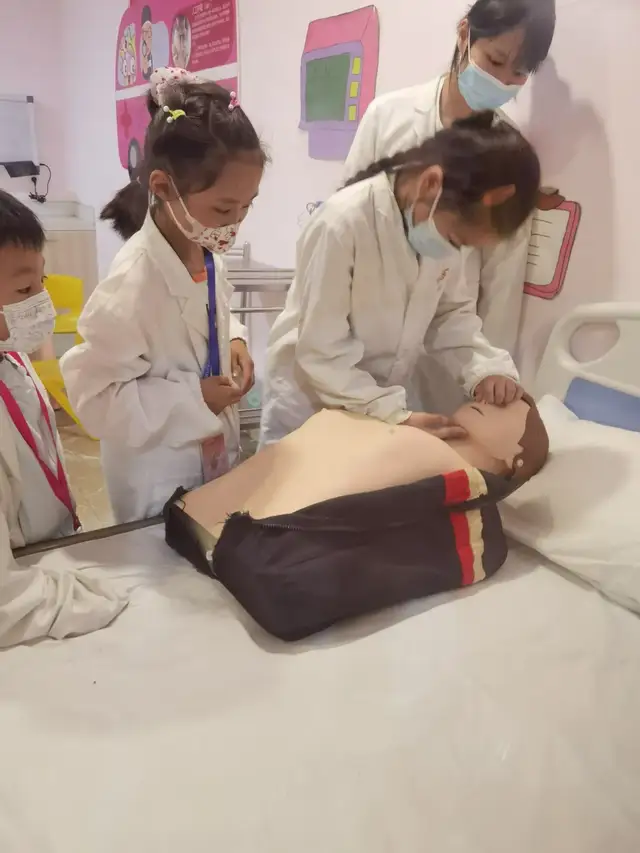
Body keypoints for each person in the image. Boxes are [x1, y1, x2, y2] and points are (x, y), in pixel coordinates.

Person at [166, 394, 549, 640]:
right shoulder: (405, 432)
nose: (487, 397)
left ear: (516, 460)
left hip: (241, 540)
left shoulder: (477, 516)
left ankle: (225, 529)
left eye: (507, 405)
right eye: (487, 393)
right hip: (221, 521)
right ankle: (220, 522)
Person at [260, 112, 540, 446]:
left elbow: (450, 315)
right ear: (431, 184)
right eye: (456, 240)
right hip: (311, 404)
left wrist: (486, 369)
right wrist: (391, 412)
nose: (454, 250)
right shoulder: (341, 225)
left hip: (375, 408)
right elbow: (322, 351)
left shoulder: (436, 226)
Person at [61, 67, 267, 523]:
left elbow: (211, 314)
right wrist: (193, 399)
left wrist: (234, 338)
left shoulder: (206, 251)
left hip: (212, 458)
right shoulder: (131, 284)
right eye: (223, 208)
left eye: (246, 206)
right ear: (162, 187)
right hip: (157, 475)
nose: (235, 224)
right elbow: (95, 399)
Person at [344, 0, 556, 371]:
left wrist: (490, 374)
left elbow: (502, 285)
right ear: (465, 34)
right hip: (362, 337)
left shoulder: (510, 158)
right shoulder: (387, 117)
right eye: (495, 61)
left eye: (519, 73)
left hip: (447, 354)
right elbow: (346, 222)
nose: (502, 81)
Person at [0, 191, 126, 647]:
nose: (43, 302)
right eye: (23, 291)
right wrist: (83, 598)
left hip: (48, 549)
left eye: (42, 282)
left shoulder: (11, 358)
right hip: (28, 585)